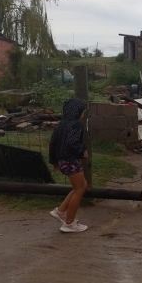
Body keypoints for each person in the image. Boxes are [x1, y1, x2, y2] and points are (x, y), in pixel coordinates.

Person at [48, 98, 89, 233]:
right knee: (80, 189)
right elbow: (72, 143)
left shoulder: (61, 125)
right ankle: (69, 223)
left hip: (62, 160)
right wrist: (82, 152)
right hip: (71, 160)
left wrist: (54, 161)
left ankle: (60, 211)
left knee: (80, 186)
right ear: (78, 111)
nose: (83, 113)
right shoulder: (76, 125)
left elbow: (53, 144)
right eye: (83, 111)